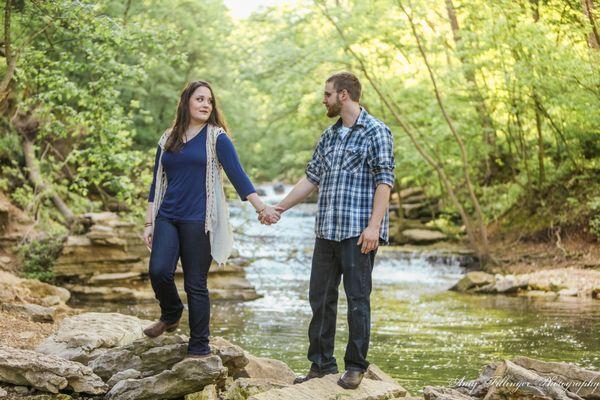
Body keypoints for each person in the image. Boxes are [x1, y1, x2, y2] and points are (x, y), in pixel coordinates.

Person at [263, 72, 395, 389]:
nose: (324, 99)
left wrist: (374, 227)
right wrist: (279, 207)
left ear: (344, 95)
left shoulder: (376, 132)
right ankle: (321, 364)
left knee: (358, 300)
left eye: (327, 94)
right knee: (320, 299)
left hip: (359, 233)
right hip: (326, 233)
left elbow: (384, 182)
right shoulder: (329, 136)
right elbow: (311, 180)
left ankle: (355, 366)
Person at [142, 80, 279, 358]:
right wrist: (149, 222)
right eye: (200, 99)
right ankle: (171, 313)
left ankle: (199, 347)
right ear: (186, 103)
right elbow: (157, 182)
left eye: (210, 101)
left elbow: (238, 175)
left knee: (195, 284)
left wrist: (261, 207)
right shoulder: (167, 138)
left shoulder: (217, 137)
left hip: (199, 220)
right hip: (167, 216)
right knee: (158, 271)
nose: (206, 105)